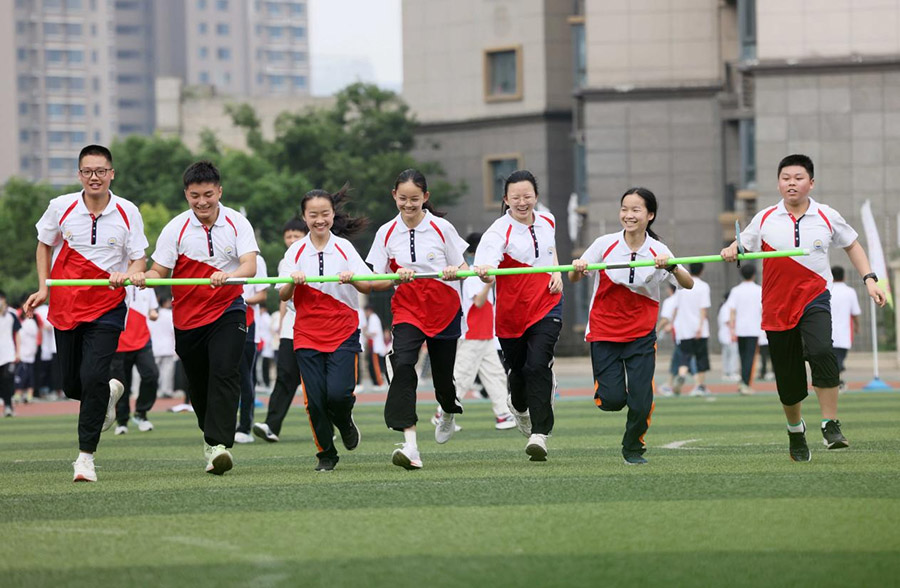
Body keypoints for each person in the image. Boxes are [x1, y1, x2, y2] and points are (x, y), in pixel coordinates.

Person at [721, 153, 887, 461]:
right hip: (776, 305)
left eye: (798, 178)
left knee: (823, 351)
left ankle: (830, 424)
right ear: (779, 183)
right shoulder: (765, 218)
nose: (791, 183)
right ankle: (795, 430)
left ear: (811, 183)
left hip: (814, 297)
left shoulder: (826, 215)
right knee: (788, 380)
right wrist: (733, 248)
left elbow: (852, 244)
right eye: (786, 178)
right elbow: (742, 245)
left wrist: (869, 279)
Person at [23, 144, 148, 482]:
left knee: (93, 375)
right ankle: (107, 393)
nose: (95, 177)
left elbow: (139, 257)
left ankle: (85, 458)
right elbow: (44, 244)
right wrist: (44, 287)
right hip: (65, 307)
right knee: (72, 385)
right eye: (88, 171)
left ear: (112, 174)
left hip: (107, 307)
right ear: (80, 175)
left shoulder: (127, 211)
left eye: (101, 171)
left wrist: (133, 272)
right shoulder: (60, 207)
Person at [131, 160, 259, 475]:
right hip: (187, 319)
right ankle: (211, 437)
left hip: (228, 308)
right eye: (194, 195)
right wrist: (144, 276)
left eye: (208, 194)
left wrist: (227, 276)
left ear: (219, 191)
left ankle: (219, 446)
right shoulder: (176, 227)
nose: (202, 202)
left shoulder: (237, 223)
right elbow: (159, 270)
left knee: (225, 371)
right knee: (198, 385)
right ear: (186, 194)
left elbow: (249, 266)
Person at [570, 187, 693, 465]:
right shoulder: (605, 244)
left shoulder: (658, 249)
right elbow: (574, 278)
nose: (629, 215)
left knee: (640, 399)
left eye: (636, 210)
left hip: (641, 333)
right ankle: (608, 395)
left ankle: (633, 448)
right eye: (625, 209)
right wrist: (577, 268)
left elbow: (688, 283)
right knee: (612, 400)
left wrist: (671, 266)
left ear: (650, 215)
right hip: (604, 330)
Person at [280, 185, 391, 471]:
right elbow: (282, 293)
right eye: (313, 215)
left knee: (339, 394)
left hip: (343, 331)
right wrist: (294, 280)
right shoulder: (295, 252)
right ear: (304, 217)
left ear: (332, 214)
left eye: (325, 214)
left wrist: (352, 278)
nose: (320, 220)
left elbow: (368, 284)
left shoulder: (344, 247)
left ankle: (345, 422)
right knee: (314, 400)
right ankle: (326, 454)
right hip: (306, 334)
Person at [366, 169, 468, 470]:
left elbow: (462, 264)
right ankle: (410, 445)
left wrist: (456, 271)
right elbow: (375, 281)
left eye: (414, 198)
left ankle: (448, 410)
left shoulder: (442, 228)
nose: (408, 205)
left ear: (425, 197)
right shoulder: (385, 233)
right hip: (408, 309)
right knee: (403, 365)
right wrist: (395, 278)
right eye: (402, 199)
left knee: (442, 382)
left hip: (444, 308)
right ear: (394, 197)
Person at [474, 169, 563, 461]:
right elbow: (486, 267)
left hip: (547, 305)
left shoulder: (548, 219)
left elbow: (551, 251)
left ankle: (540, 434)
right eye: (516, 198)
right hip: (511, 316)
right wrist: (486, 273)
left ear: (536, 196)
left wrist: (556, 272)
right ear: (506, 200)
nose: (522, 202)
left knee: (538, 365)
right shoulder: (498, 232)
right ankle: (519, 406)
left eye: (527, 196)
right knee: (520, 373)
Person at [441, 232, 515, 431]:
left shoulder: (481, 273)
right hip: (473, 335)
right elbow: (479, 301)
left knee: (496, 375)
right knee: (462, 376)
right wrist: (490, 284)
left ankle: (503, 414)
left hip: (485, 335)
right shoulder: (475, 273)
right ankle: (443, 414)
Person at [253, 217, 307, 442]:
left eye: (297, 235)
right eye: (288, 236)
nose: (292, 240)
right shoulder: (287, 261)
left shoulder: (317, 256)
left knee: (317, 381)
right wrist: (282, 323)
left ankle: (330, 425)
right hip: (290, 329)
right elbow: (284, 298)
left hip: (316, 326)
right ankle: (271, 426)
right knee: (285, 376)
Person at [110, 285, 159, 434]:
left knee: (151, 374)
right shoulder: (115, 277)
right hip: (118, 341)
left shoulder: (146, 283)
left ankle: (141, 414)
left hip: (142, 339)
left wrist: (153, 313)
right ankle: (122, 420)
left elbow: (153, 309)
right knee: (122, 384)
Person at [235, 254, 268, 444]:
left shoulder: (257, 260)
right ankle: (223, 425)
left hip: (247, 322)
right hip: (220, 321)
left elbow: (262, 294)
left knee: (245, 377)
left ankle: (244, 426)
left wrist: (241, 300)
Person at [671, 263, 711, 396]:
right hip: (699, 329)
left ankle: (681, 375)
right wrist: (700, 327)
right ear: (702, 271)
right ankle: (699, 386)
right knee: (701, 358)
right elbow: (703, 309)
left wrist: (673, 323)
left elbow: (676, 308)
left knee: (684, 357)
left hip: (684, 329)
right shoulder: (704, 286)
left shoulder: (681, 287)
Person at [726, 263, 763, 395]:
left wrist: (731, 329)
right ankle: (745, 384)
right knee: (749, 358)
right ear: (754, 275)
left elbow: (731, 311)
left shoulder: (736, 290)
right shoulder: (758, 290)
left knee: (743, 357)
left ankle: (743, 382)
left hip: (740, 329)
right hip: (753, 329)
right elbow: (762, 310)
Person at [829, 265, 861, 391]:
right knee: (839, 360)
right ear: (844, 276)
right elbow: (855, 313)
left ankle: (836, 381)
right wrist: (857, 326)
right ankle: (838, 382)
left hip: (827, 332)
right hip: (843, 333)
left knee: (832, 360)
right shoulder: (850, 292)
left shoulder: (826, 290)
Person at [14, 300, 42, 405]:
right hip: (26, 353)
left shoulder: (29, 323)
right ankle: (25, 395)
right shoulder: (27, 323)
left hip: (26, 353)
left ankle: (21, 394)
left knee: (24, 375)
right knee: (27, 375)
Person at [149, 292, 176, 399]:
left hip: (154, 347)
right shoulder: (169, 314)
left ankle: (155, 391)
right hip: (168, 347)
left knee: (155, 372)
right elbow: (172, 331)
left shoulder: (151, 315)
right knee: (167, 373)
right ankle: (166, 390)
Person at [0, 291, 21, 417]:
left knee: (7, 378)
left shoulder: (11, 315)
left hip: (8, 352)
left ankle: (8, 406)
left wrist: (18, 352)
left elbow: (17, 333)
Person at [363, 306, 388, 391]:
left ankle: (380, 383)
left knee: (375, 365)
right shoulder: (372, 318)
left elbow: (374, 332)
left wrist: (365, 333)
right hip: (373, 346)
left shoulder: (373, 318)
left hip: (376, 346)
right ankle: (376, 382)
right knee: (372, 365)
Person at [717, 292, 739, 383]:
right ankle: (731, 372)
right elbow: (728, 322)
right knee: (732, 354)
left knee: (727, 354)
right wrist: (733, 333)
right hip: (728, 335)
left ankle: (727, 372)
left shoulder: (724, 307)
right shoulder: (726, 308)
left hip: (726, 334)